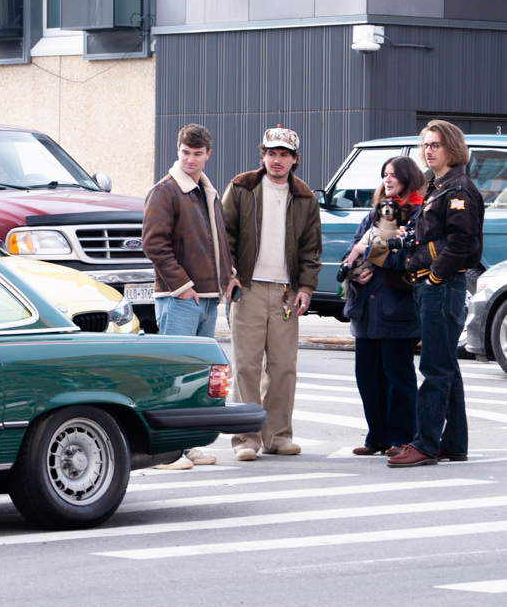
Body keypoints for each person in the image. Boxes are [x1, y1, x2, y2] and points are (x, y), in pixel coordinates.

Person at [221, 126, 321, 462]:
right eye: (271, 153)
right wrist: (229, 275)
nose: (277, 160)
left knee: (283, 367)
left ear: (295, 159)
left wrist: (305, 288)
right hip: (247, 287)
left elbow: (311, 248)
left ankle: (278, 436)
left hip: (285, 293)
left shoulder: (305, 197)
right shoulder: (241, 187)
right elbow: (225, 236)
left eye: (284, 154)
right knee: (246, 366)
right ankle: (245, 438)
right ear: (262, 155)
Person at [388, 120, 485, 469]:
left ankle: (425, 444)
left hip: (441, 287)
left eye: (436, 145)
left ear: (452, 148)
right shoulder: (437, 187)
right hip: (429, 285)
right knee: (447, 367)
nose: (428, 151)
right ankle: (454, 443)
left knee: (434, 367)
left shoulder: (458, 189)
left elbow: (463, 242)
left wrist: (435, 276)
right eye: (426, 145)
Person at [340, 155, 423, 457]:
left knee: (398, 378)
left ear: (408, 178)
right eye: (385, 174)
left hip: (396, 311)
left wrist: (370, 252)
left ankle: (401, 438)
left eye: (394, 175)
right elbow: (351, 250)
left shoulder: (416, 215)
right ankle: (376, 436)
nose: (387, 180)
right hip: (366, 311)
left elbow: (407, 259)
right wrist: (354, 270)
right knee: (368, 378)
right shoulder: (373, 213)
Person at [141, 123, 235, 338]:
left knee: (198, 360)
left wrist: (229, 276)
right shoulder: (164, 192)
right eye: (186, 152)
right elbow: (153, 245)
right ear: (178, 151)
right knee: (176, 359)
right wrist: (181, 286)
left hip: (208, 299)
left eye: (197, 153)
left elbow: (219, 241)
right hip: (177, 299)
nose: (190, 159)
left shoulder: (209, 194)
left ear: (208, 154)